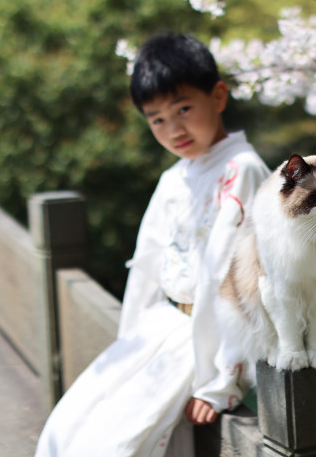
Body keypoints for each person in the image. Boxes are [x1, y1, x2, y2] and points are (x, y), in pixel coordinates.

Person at [35, 32, 271, 457]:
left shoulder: (243, 170)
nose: (173, 129)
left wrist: (222, 382)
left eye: (183, 108)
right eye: (157, 119)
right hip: (161, 329)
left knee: (117, 445)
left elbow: (239, 283)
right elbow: (147, 265)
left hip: (200, 340)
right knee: (68, 427)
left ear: (218, 96)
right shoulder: (175, 177)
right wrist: (128, 347)